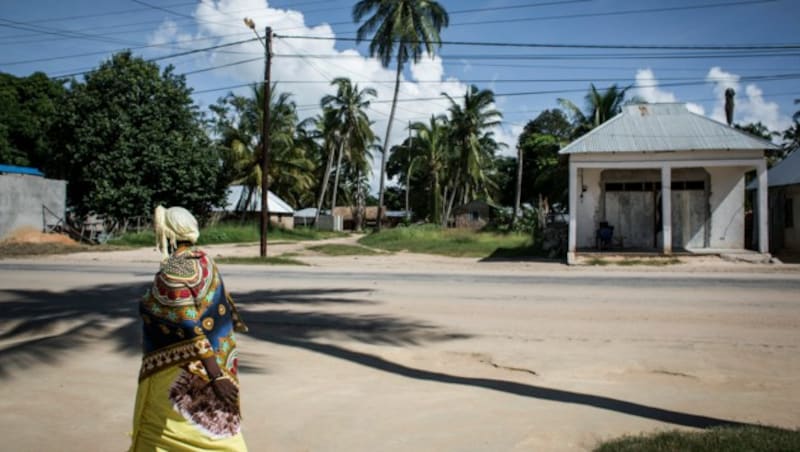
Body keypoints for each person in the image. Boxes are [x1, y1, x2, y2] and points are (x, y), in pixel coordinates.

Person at [130, 205, 248, 451]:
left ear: (168, 233)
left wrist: (215, 376)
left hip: (179, 368)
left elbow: (188, 322)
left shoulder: (172, 271)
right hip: (215, 359)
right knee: (216, 435)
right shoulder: (204, 260)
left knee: (166, 430)